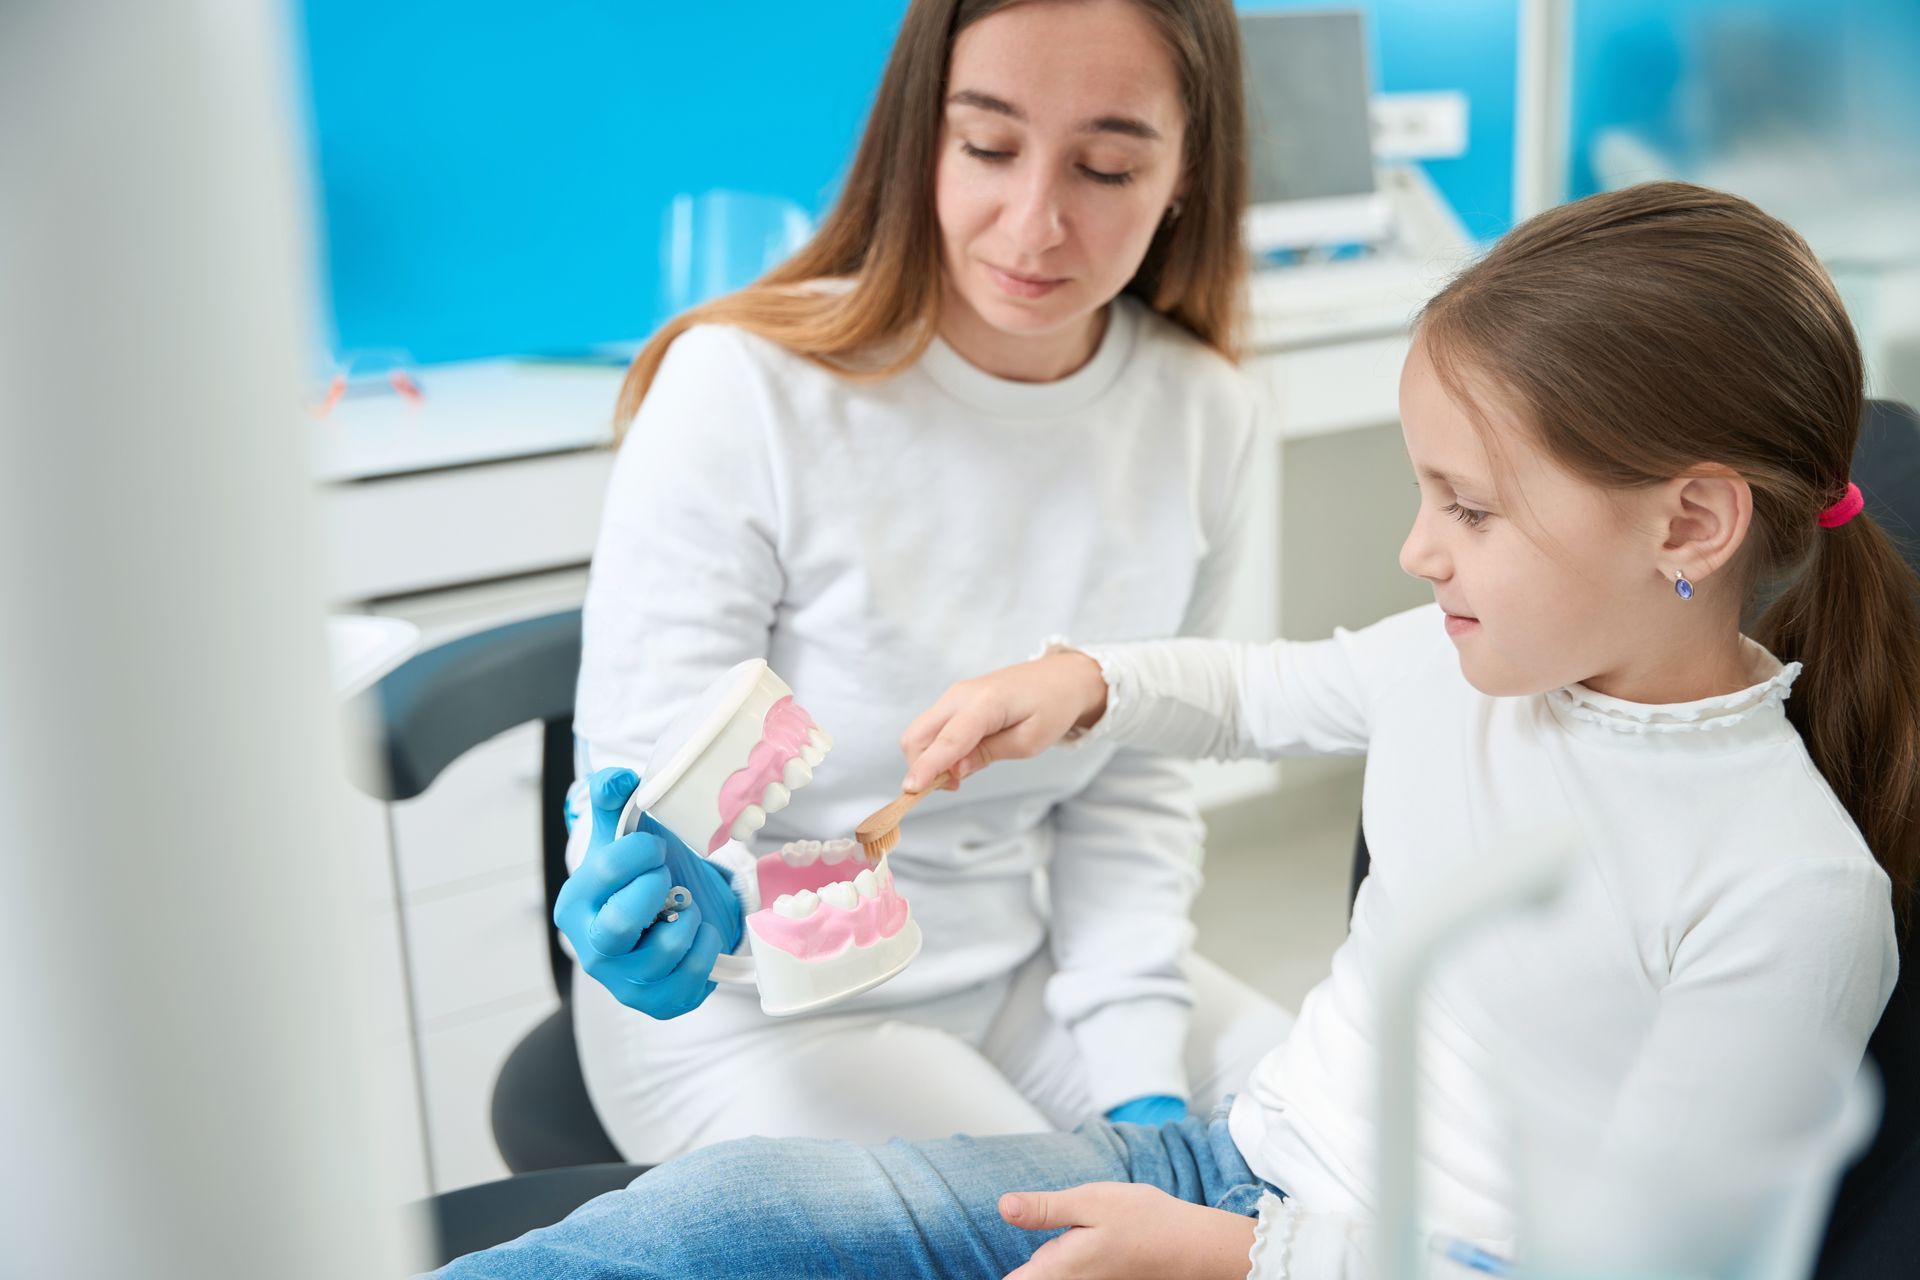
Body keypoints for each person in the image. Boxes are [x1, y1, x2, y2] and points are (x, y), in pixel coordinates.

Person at [437, 182, 1909, 1278]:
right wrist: (1078, 683)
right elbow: (1251, 691)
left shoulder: (1789, 895)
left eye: (1469, 506)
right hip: (1218, 1163)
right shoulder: (1464, 674)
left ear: (1693, 522)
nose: (1418, 549)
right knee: (725, 1216)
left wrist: (1241, 1262)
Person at [559, 0, 1288, 1165]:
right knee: (1042, 1235)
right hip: (754, 1009)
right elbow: (659, 785)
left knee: (1363, 1145)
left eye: (1106, 166)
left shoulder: (1208, 416)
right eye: (989, 147)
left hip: (1023, 968)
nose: (1035, 223)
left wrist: (1140, 1079)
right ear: (920, 138)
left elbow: (1129, 796)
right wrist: (666, 907)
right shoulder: (742, 390)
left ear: (1188, 170)